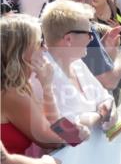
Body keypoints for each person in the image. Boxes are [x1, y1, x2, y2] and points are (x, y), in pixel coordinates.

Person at [1, 15, 81, 156]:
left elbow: (53, 126)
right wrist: (80, 131)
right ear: (21, 51)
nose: (44, 49)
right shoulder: (10, 92)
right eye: (39, 43)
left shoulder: (20, 86)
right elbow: (52, 140)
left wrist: (46, 86)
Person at [39, 0, 116, 130]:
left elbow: (105, 97)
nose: (91, 39)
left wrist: (109, 108)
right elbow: (64, 126)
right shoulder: (42, 73)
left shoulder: (77, 63)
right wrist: (99, 115)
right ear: (68, 39)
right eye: (89, 33)